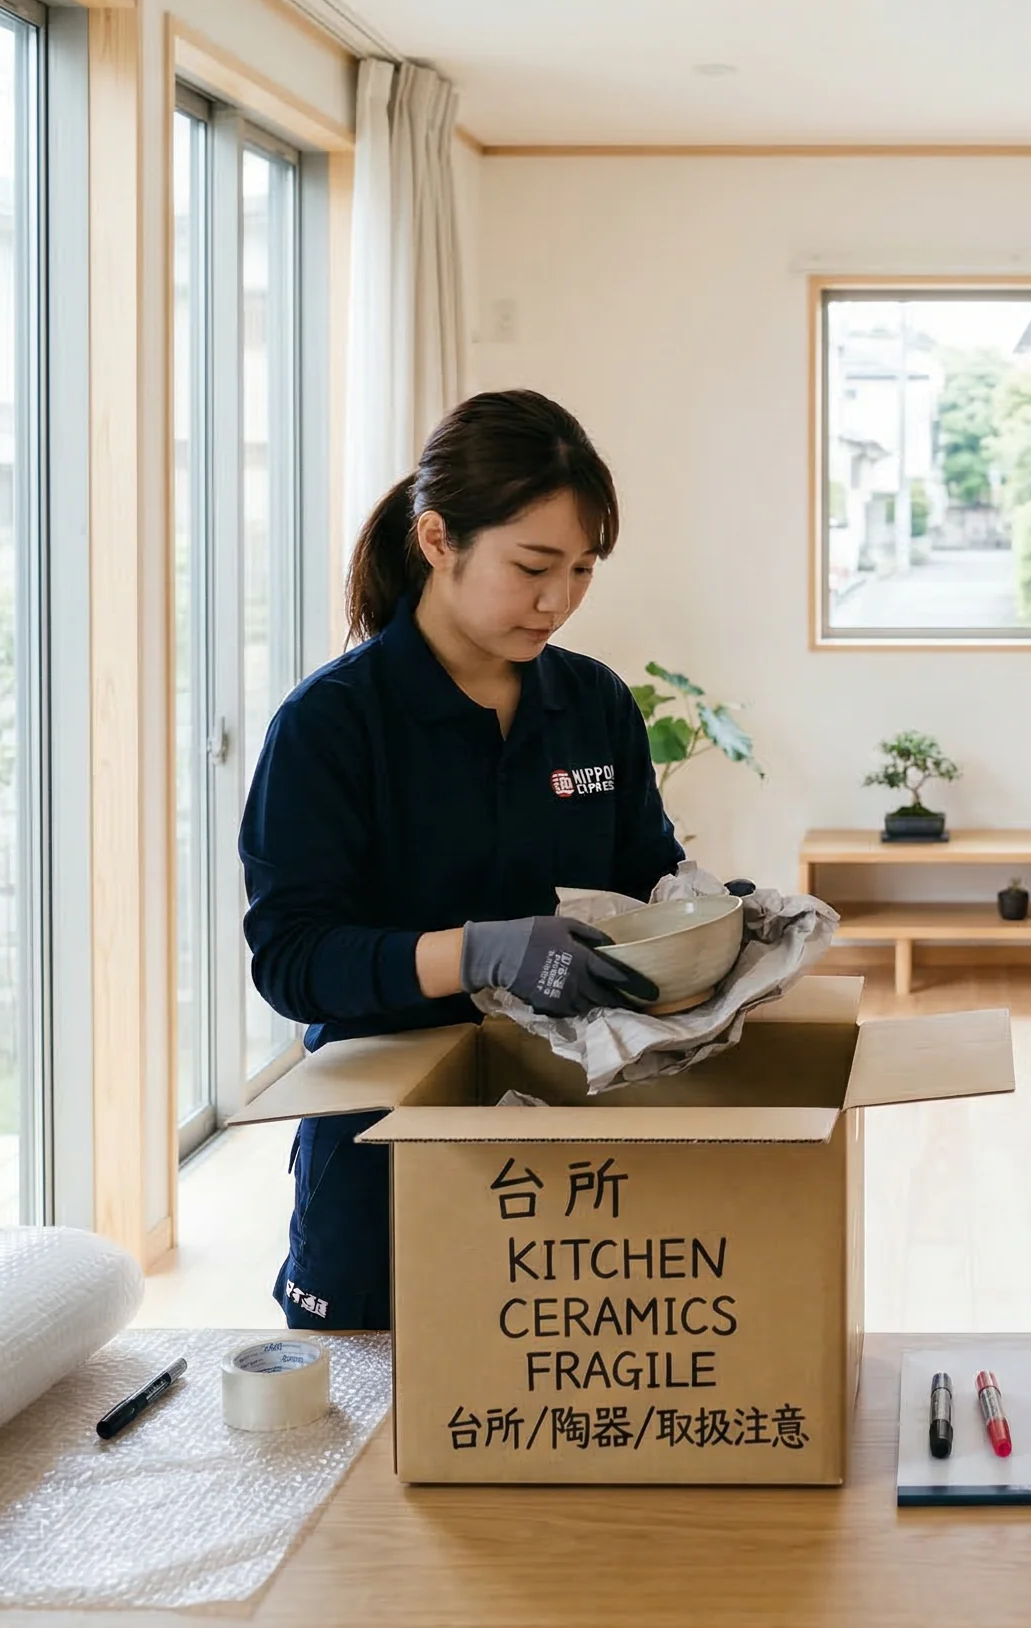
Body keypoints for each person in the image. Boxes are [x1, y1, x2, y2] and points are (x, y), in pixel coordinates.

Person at [241, 388, 732, 1331]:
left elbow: (644, 871)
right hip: (389, 1141)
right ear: (437, 540)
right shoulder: (332, 725)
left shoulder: (593, 705)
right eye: (533, 567)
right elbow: (293, 960)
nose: (559, 600)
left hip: (574, 1136)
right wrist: (477, 952)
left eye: (582, 570)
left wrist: (701, 913)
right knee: (381, 1406)